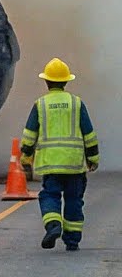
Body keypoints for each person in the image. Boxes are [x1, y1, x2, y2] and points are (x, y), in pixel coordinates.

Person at [20, 58, 100, 252]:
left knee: (50, 195)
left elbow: (30, 134)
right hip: (74, 164)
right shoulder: (76, 103)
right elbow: (89, 133)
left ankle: (53, 224)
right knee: (74, 200)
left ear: (46, 81)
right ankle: (72, 241)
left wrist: (26, 157)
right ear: (66, 81)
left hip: (51, 164)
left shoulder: (40, 104)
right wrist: (93, 158)